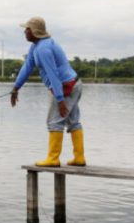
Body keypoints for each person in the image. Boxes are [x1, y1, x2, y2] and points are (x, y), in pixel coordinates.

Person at [10, 17, 85, 167]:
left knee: (54, 122)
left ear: (35, 31)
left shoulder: (43, 49)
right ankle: (79, 158)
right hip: (73, 84)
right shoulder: (36, 46)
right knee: (73, 121)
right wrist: (15, 88)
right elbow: (27, 67)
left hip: (66, 88)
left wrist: (60, 99)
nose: (24, 32)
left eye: (27, 29)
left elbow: (53, 74)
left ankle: (53, 159)